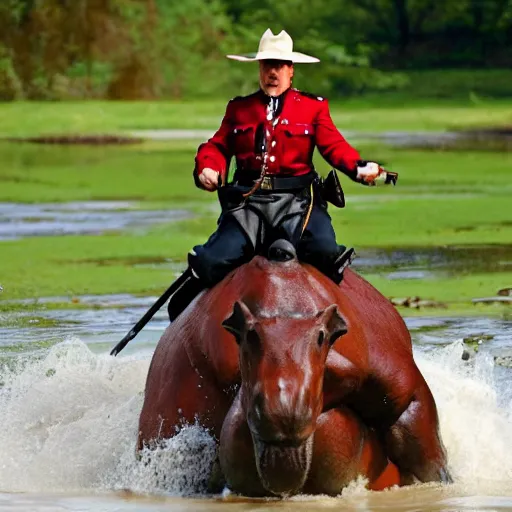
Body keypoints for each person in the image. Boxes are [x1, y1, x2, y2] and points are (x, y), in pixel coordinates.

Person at [167, 29, 386, 321]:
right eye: (267, 64)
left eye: (280, 65)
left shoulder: (313, 107)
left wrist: (358, 167)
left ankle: (346, 322)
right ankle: (186, 323)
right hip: (248, 206)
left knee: (326, 251)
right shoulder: (239, 108)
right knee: (209, 261)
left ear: (291, 70)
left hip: (298, 204)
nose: (273, 72)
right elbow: (216, 146)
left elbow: (334, 146)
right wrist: (208, 167)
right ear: (259, 68)